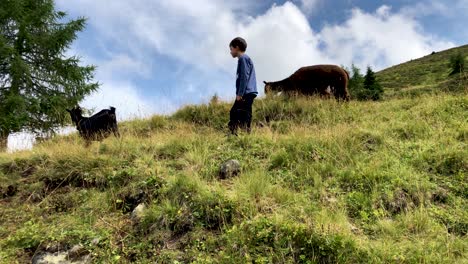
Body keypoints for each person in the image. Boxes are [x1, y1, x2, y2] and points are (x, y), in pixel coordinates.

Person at [228, 37, 258, 135]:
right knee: (241, 113)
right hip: (248, 92)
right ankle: (239, 134)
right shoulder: (244, 59)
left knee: (237, 112)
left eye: (231, 49)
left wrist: (240, 94)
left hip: (246, 92)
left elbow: (244, 77)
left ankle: (235, 135)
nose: (230, 52)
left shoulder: (243, 58)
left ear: (236, 48)